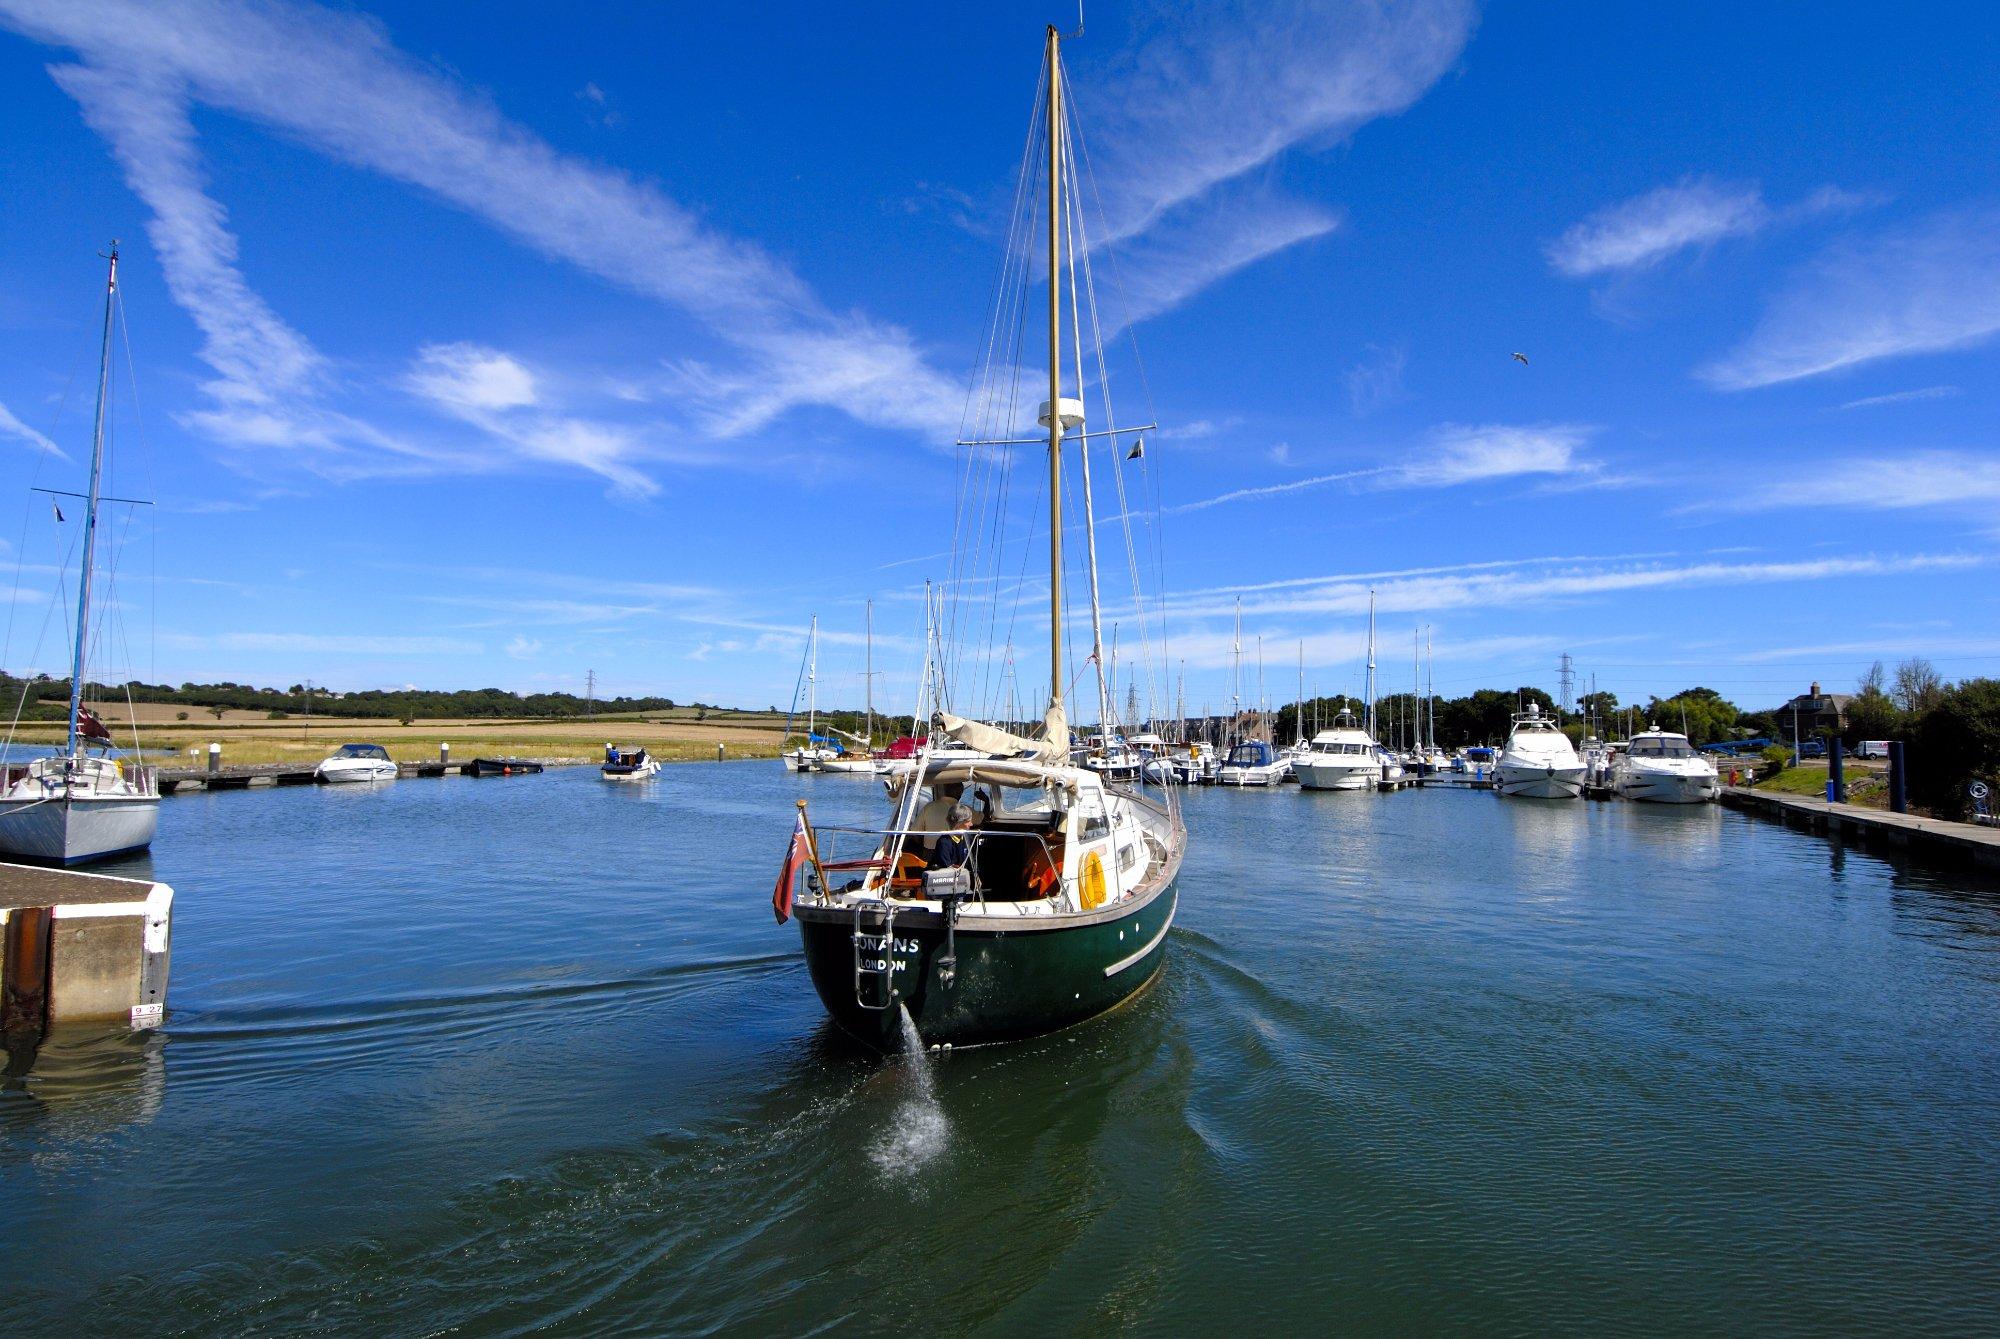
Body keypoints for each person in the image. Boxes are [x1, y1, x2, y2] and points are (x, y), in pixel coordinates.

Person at [912, 782, 964, 853]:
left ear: (945, 790)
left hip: (929, 854)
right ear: (960, 793)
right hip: (954, 853)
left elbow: (915, 831)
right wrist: (985, 800)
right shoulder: (964, 810)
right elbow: (982, 819)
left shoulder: (929, 807)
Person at [929, 804, 978, 872]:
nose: (971, 824)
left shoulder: (969, 838)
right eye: (968, 821)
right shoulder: (944, 843)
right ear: (959, 823)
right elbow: (946, 869)